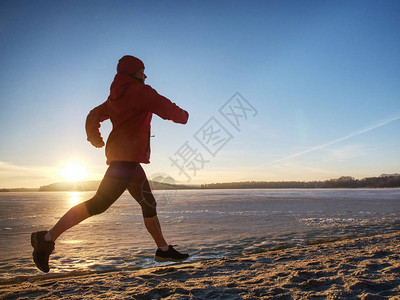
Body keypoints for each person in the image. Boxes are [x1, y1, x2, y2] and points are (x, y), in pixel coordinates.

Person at [31, 55, 190, 273]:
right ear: (134, 73)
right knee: (97, 204)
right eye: (143, 71)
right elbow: (170, 111)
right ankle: (46, 238)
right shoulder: (143, 92)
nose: (145, 74)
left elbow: (92, 115)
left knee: (148, 204)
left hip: (127, 161)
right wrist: (184, 115)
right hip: (125, 163)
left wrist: (94, 137)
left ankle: (162, 249)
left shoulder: (114, 98)